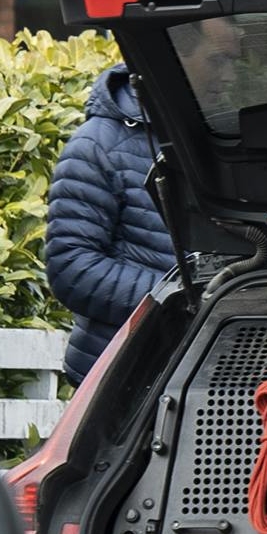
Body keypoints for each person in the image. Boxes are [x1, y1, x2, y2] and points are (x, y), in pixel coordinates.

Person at [46, 52, 184, 380]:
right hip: (120, 375)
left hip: (195, 365)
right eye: (218, 59)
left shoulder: (218, 142)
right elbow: (72, 269)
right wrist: (177, 296)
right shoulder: (97, 144)